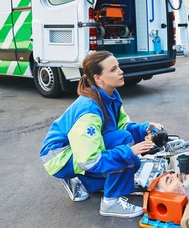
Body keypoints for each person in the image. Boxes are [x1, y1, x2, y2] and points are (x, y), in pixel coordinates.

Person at [39, 51, 164, 218]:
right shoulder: (89, 111)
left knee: (127, 156)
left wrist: (145, 128)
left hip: (74, 150)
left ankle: (81, 182)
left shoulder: (110, 95)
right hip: (59, 157)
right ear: (98, 78)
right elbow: (90, 161)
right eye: (113, 69)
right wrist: (130, 152)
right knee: (126, 149)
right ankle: (110, 202)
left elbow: (123, 125)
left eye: (118, 67)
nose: (120, 71)